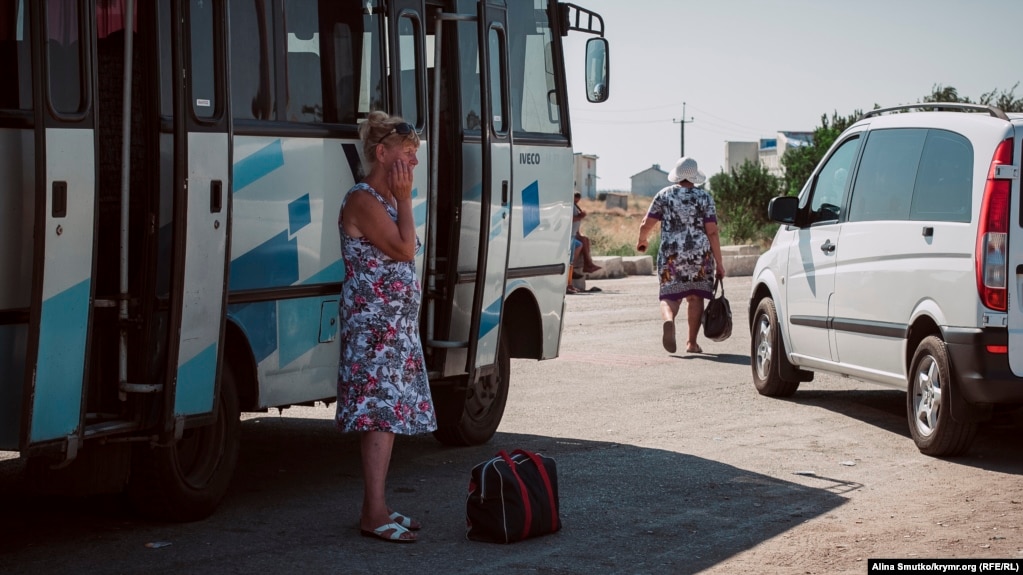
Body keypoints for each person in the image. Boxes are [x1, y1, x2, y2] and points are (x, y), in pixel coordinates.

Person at [336, 111, 437, 543]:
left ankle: (378, 505)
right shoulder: (363, 199)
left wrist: (400, 200)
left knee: (389, 415)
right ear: (382, 153)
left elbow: (405, 246)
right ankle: (372, 512)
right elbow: (401, 249)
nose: (414, 164)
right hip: (374, 330)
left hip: (393, 329)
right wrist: (407, 200)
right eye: (408, 154)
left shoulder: (386, 201)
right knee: (379, 414)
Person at [636, 156, 725, 354]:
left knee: (669, 295)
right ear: (694, 177)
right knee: (695, 296)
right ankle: (691, 343)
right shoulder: (704, 197)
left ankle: (669, 320)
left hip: (671, 254)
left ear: (676, 176)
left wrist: (642, 240)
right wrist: (719, 262)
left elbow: (646, 224)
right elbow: (712, 231)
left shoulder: (664, 195)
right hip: (699, 256)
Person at [572, 192, 602, 274]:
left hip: (574, 233)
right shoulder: (570, 206)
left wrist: (578, 233)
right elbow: (569, 219)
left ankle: (588, 263)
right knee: (581, 243)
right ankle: (587, 264)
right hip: (570, 235)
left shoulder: (574, 206)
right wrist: (580, 217)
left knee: (585, 239)